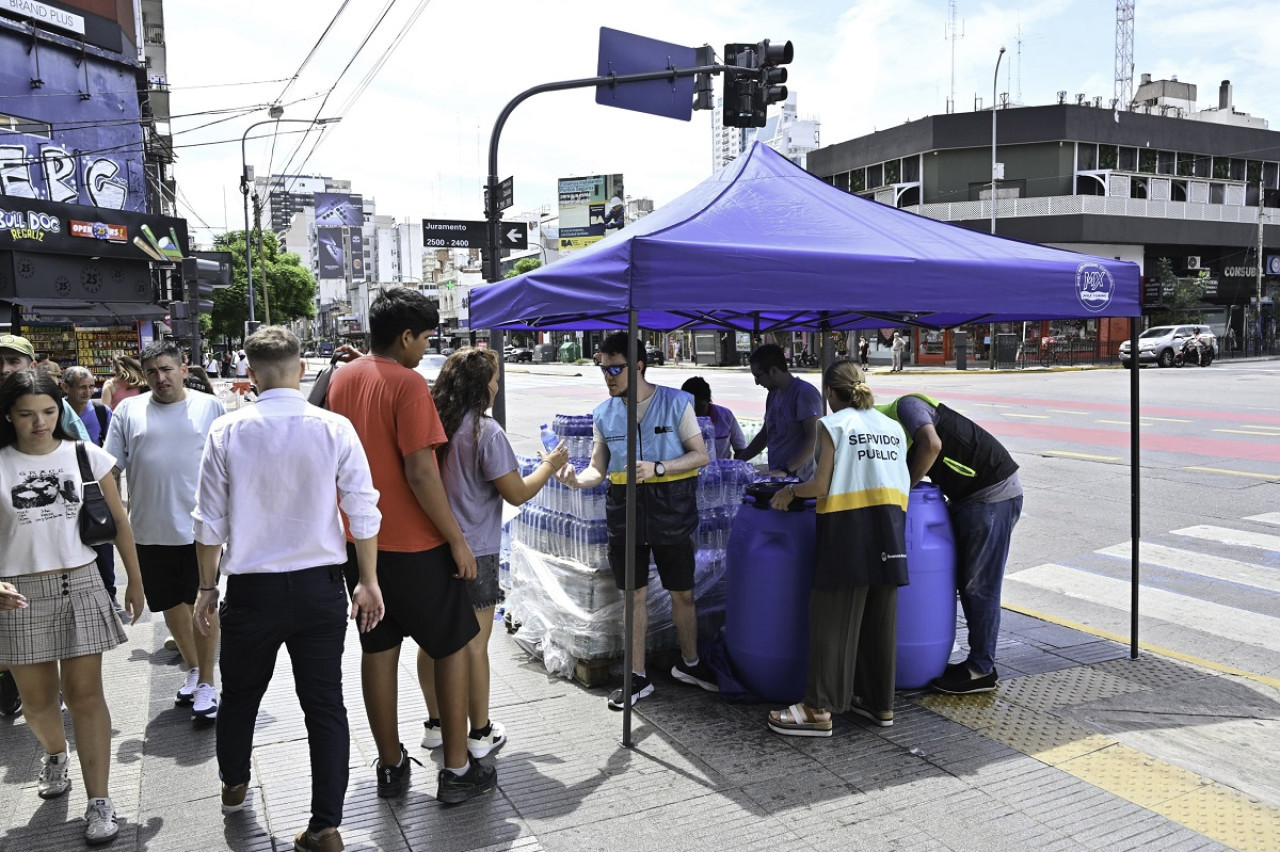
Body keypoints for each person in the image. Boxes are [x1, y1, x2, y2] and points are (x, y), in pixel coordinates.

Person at [191, 327, 383, 852]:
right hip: (321, 586)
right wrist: (367, 581)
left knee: (241, 698)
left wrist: (207, 588)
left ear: (250, 375)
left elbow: (209, 522)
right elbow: (363, 510)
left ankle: (234, 783)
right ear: (301, 370)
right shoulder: (334, 427)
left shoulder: (227, 431)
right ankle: (325, 826)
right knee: (324, 704)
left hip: (251, 591)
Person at [326, 287, 495, 804]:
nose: (426, 348)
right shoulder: (408, 385)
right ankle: (457, 770)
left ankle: (392, 763)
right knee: (451, 646)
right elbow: (422, 472)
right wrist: (457, 540)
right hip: (414, 545)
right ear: (404, 336)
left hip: (359, 545)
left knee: (377, 650)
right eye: (424, 338)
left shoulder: (340, 379)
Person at [0, 370, 145, 844]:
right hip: (18, 593)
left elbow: (119, 520)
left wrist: (135, 581)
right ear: (9, 416)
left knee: (86, 696)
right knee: (40, 706)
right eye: (26, 414)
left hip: (79, 583)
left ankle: (99, 800)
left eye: (47, 411)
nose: (39, 422)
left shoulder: (85, 453)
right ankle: (55, 752)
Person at [418, 348, 569, 759]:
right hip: (476, 551)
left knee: (433, 644)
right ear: (482, 386)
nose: (498, 385)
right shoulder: (486, 432)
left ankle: (434, 725)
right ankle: (479, 732)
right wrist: (551, 464)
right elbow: (517, 493)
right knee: (473, 646)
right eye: (495, 378)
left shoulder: (434, 424)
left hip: (430, 548)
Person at [558, 333, 713, 709]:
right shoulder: (603, 413)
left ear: (638, 366)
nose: (608, 376)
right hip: (624, 510)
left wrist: (659, 467)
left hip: (671, 508)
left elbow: (700, 456)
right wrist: (576, 480)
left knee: (683, 593)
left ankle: (690, 663)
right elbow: (598, 468)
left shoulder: (677, 402)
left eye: (615, 368)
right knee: (634, 596)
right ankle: (638, 676)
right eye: (603, 368)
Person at [765, 360, 909, 736]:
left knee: (831, 620)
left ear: (829, 393)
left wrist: (789, 491)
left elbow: (821, 485)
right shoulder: (892, 426)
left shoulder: (834, 425)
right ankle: (879, 703)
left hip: (849, 530)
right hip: (892, 530)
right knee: (880, 621)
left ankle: (819, 709)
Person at [104, 340, 225, 723]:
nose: (161, 378)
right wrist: (107, 515)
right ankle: (193, 669)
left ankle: (208, 680)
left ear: (183, 368)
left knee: (203, 606)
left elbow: (230, 465)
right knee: (172, 607)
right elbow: (111, 469)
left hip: (200, 531)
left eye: (167, 369)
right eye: (153, 371)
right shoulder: (128, 410)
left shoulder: (209, 407)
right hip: (149, 530)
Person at [877, 392, 1023, 694]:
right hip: (970, 497)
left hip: (992, 494)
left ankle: (981, 669)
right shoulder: (894, 434)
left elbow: (932, 445)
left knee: (979, 585)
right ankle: (976, 661)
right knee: (965, 582)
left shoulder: (906, 407)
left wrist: (905, 487)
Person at [63, 366, 119, 609]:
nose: (87, 392)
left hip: (96, 491)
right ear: (66, 388)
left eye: (90, 387)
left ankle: (109, 594)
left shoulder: (100, 411)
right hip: (67, 491)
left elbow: (111, 454)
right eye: (81, 387)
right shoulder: (56, 412)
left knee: (103, 541)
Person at [736, 343, 823, 480]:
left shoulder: (804, 393)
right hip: (779, 479)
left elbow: (815, 438)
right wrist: (739, 461)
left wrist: (786, 469)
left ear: (774, 370)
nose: (757, 382)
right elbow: (766, 434)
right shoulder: (773, 394)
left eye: (758, 376)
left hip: (800, 482)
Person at [0, 335, 90, 443]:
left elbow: (83, 447)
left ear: (32, 366)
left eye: (13, 361)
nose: (4, 369)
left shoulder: (56, 405)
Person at [680, 376, 746, 461]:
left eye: (699, 407)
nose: (694, 412)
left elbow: (740, 448)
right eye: (690, 407)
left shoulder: (726, 416)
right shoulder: (676, 420)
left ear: (708, 401)